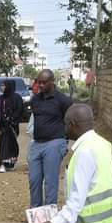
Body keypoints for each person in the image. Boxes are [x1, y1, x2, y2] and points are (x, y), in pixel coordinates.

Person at [28, 69, 73, 208]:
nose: (40, 85)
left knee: (50, 182)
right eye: (38, 82)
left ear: (52, 82)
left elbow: (71, 122)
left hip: (54, 143)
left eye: (43, 82)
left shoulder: (63, 100)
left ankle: (49, 215)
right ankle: (36, 214)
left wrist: (64, 143)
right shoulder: (35, 99)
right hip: (37, 144)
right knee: (34, 180)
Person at [0, 80, 23, 173]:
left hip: (13, 125)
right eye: (1, 85)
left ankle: (11, 163)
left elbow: (20, 109)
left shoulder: (17, 98)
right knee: (3, 144)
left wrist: (12, 119)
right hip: (2, 126)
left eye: (3, 85)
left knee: (12, 145)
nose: (2, 87)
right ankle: (2, 164)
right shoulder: (0, 98)